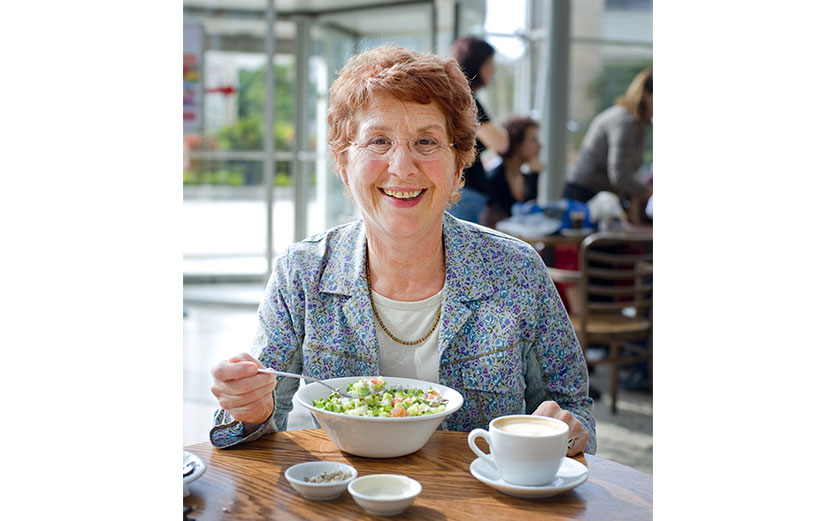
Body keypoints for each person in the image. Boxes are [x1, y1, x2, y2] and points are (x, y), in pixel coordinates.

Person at [208, 45, 595, 456]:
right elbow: (254, 429)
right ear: (343, 160)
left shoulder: (515, 270)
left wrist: (566, 431)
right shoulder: (303, 272)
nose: (402, 166)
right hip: (344, 503)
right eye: (378, 140)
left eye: (426, 141)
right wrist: (247, 410)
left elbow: (573, 411)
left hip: (483, 508)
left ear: (460, 161)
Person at [565, 67, 653, 219]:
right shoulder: (623, 121)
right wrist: (649, 192)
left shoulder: (640, 126)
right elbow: (620, 175)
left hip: (604, 199)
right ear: (646, 94)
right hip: (585, 198)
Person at [446, 36, 509, 224]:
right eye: (489, 63)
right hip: (465, 191)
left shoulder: (458, 96)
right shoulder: (465, 98)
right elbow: (500, 143)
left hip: (464, 189)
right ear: (477, 64)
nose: (493, 70)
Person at [482, 115, 544, 228]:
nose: (539, 145)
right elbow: (511, 214)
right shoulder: (494, 177)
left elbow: (530, 212)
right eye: (533, 139)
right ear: (517, 143)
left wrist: (535, 175)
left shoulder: (525, 177)